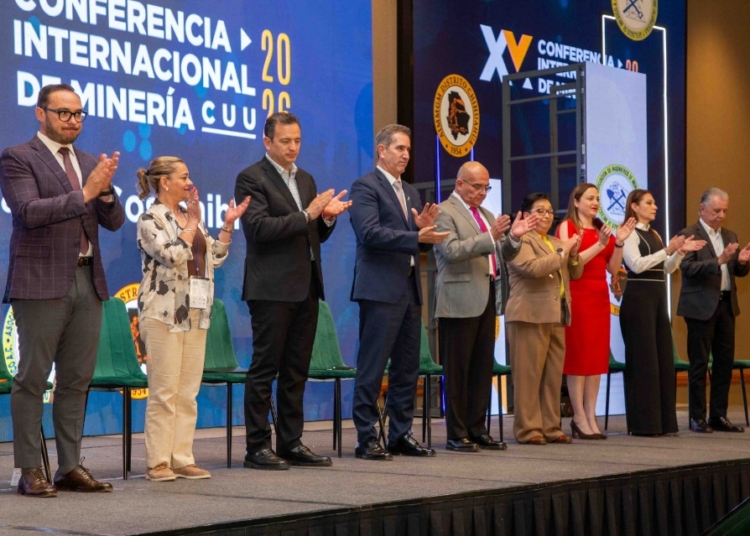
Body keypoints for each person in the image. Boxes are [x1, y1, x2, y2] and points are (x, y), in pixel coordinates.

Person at [0, 83, 125, 497]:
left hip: (88, 280)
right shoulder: (19, 157)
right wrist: (85, 192)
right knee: (33, 378)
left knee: (76, 380)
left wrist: (104, 191)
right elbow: (28, 212)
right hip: (39, 281)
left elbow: (114, 222)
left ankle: (69, 466)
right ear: (41, 113)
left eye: (78, 114)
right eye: (63, 113)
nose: (72, 121)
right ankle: (29, 469)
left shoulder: (89, 162)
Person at [234, 112, 351, 470]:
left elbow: (313, 234)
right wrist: (307, 214)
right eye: (285, 141)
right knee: (264, 368)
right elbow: (258, 229)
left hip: (306, 286)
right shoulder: (251, 178)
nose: (293, 147)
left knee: (296, 370)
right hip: (271, 288)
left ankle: (290, 442)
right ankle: (257, 446)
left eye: (297, 140)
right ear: (267, 141)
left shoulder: (306, 179)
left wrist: (325, 218)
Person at [136, 157, 250, 481]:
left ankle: (182, 458)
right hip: (163, 314)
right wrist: (191, 225)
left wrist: (227, 225)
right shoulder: (150, 218)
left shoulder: (191, 217)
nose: (189, 183)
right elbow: (171, 255)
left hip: (196, 314)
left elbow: (214, 256)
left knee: (187, 392)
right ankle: (158, 462)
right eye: (183, 177)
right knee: (164, 392)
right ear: (164, 182)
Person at [349, 124, 449, 460]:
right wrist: (415, 236)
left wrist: (421, 231)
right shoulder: (365, 186)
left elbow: (412, 241)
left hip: (408, 288)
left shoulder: (410, 192)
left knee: (407, 367)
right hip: (379, 289)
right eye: (399, 148)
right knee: (373, 367)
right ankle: (366, 438)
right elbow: (369, 233)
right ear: (382, 150)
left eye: (408, 149)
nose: (406, 155)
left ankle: (400, 434)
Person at [433, 161, 538, 452]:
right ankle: (457, 434)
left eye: (486, 187)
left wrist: (513, 236)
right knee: (458, 371)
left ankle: (477, 429)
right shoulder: (443, 211)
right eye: (477, 186)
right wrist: (490, 236)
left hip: (488, 297)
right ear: (460, 184)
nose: (482, 192)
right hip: (458, 300)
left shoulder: (486, 215)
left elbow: (502, 253)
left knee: (481, 369)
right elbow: (451, 251)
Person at [619, 189, 705, 436]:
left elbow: (665, 269)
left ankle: (662, 422)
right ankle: (644, 424)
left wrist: (679, 253)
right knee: (644, 361)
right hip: (638, 301)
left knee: (662, 361)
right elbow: (636, 265)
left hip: (656, 301)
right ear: (634, 207)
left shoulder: (654, 234)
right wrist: (667, 250)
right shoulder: (628, 233)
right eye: (649, 202)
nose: (655, 206)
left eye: (655, 202)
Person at [556, 183, 635, 439]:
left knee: (595, 360)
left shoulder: (602, 229)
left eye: (598, 198)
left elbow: (612, 268)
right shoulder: (568, 226)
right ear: (576, 201)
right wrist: (600, 245)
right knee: (579, 359)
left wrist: (618, 243)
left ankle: (591, 415)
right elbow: (571, 263)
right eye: (590, 198)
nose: (595, 202)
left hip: (599, 297)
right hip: (577, 296)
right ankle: (578, 416)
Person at [505, 193, 582, 445]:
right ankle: (528, 429)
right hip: (529, 315)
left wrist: (573, 254)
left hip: (556, 314)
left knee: (552, 377)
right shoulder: (519, 240)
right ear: (526, 215)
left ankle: (551, 426)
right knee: (528, 376)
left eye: (549, 211)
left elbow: (575, 272)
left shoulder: (555, 241)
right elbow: (532, 269)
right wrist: (563, 251)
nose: (547, 216)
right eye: (540, 211)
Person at [678, 188, 750, 433]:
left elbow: (736, 271)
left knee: (724, 363)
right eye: (717, 210)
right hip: (700, 307)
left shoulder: (729, 235)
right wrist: (718, 260)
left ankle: (718, 416)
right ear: (702, 208)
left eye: (725, 211)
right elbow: (687, 269)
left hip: (726, 305)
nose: (721, 215)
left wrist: (742, 262)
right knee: (699, 364)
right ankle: (697, 417)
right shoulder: (688, 234)